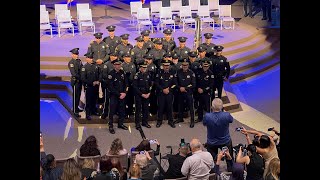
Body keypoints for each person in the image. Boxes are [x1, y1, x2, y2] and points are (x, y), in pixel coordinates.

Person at [203, 98, 234, 172]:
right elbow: (231, 120)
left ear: (212, 107)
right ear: (222, 107)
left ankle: (214, 173)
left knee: (213, 160)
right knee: (229, 157)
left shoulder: (207, 116)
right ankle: (230, 170)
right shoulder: (226, 115)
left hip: (212, 142)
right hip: (225, 141)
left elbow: (204, 123)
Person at [107, 59, 129, 134]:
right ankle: (110, 126)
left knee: (122, 110)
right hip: (114, 96)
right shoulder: (111, 74)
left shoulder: (123, 73)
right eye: (116, 64)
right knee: (112, 111)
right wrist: (119, 94)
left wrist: (125, 93)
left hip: (123, 95)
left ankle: (121, 124)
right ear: (114, 65)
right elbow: (110, 87)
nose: (118, 66)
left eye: (119, 64)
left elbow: (126, 83)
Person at [154, 60, 177, 128]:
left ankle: (170, 121)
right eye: (165, 65)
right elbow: (157, 83)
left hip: (169, 93)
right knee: (160, 107)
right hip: (161, 93)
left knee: (170, 107)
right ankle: (159, 121)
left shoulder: (172, 73)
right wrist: (162, 89)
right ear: (163, 66)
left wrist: (169, 89)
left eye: (168, 65)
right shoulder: (159, 73)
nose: (166, 67)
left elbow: (175, 84)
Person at [175, 58, 196, 128]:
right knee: (180, 106)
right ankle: (180, 118)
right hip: (180, 92)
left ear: (188, 66)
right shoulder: (178, 72)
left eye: (186, 65)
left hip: (188, 92)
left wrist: (185, 88)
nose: (185, 67)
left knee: (191, 107)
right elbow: (175, 82)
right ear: (182, 65)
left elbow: (193, 84)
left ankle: (192, 121)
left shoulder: (191, 73)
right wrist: (179, 87)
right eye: (183, 65)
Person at [133, 61, 153, 129]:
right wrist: (142, 94)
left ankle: (145, 122)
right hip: (139, 95)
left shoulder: (148, 74)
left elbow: (151, 84)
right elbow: (135, 87)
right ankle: (137, 123)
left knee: (146, 109)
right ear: (140, 67)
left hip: (147, 94)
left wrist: (149, 93)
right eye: (143, 67)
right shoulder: (137, 75)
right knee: (138, 109)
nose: (144, 69)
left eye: (145, 67)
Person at [81, 52, 100, 120]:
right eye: (89, 58)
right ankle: (88, 113)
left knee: (94, 99)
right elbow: (83, 78)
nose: (91, 59)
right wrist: (92, 83)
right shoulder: (84, 67)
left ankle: (94, 111)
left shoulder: (95, 66)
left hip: (96, 86)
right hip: (89, 86)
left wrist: (98, 81)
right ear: (86, 59)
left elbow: (99, 74)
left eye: (91, 58)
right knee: (88, 100)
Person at [100, 52, 119, 119]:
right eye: (112, 56)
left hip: (116, 86)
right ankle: (105, 113)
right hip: (108, 85)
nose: (114, 57)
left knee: (116, 100)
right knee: (106, 100)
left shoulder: (118, 64)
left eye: (115, 56)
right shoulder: (106, 64)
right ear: (110, 56)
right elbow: (104, 75)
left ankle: (116, 111)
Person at [196, 58, 214, 122]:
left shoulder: (210, 74)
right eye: (204, 66)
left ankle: (209, 119)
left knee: (207, 107)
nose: (205, 67)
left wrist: (203, 90)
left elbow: (211, 85)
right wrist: (198, 88)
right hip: (199, 92)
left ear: (208, 66)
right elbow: (197, 82)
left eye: (206, 66)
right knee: (199, 106)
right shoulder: (199, 72)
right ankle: (199, 118)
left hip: (206, 93)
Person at [68, 48, 83, 118]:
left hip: (79, 81)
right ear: (72, 55)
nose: (76, 55)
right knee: (75, 96)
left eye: (77, 54)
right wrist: (81, 77)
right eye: (75, 54)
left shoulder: (79, 61)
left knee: (78, 95)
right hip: (75, 81)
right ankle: (74, 111)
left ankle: (76, 108)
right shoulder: (71, 63)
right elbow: (74, 73)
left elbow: (82, 69)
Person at [122, 52, 136, 118]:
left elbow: (135, 75)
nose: (128, 59)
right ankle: (124, 112)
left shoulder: (133, 65)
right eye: (127, 57)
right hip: (124, 85)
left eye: (129, 57)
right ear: (124, 58)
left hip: (132, 84)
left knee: (131, 98)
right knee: (125, 99)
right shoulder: (121, 65)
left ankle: (130, 111)